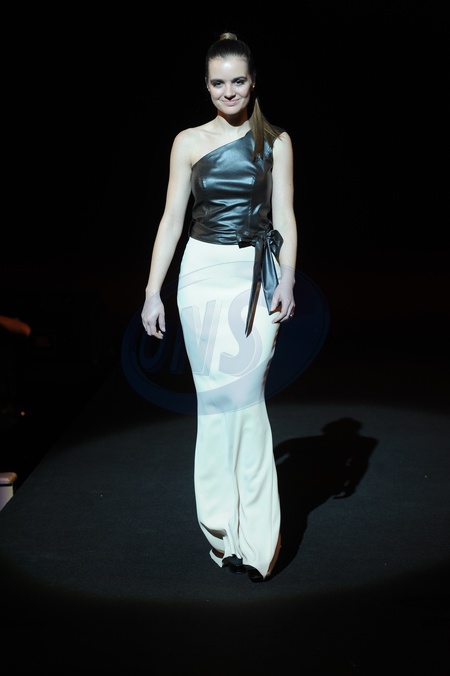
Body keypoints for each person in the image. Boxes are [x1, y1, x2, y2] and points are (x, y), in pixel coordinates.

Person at [141, 32, 297, 582]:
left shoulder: (276, 142)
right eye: (217, 83)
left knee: (247, 401)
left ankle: (257, 541)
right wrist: (152, 291)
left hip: (255, 276)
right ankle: (221, 531)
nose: (228, 91)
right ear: (206, 86)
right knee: (215, 403)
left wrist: (288, 278)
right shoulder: (187, 142)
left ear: (253, 83)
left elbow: (286, 215)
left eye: (237, 81)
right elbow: (171, 220)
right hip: (201, 276)